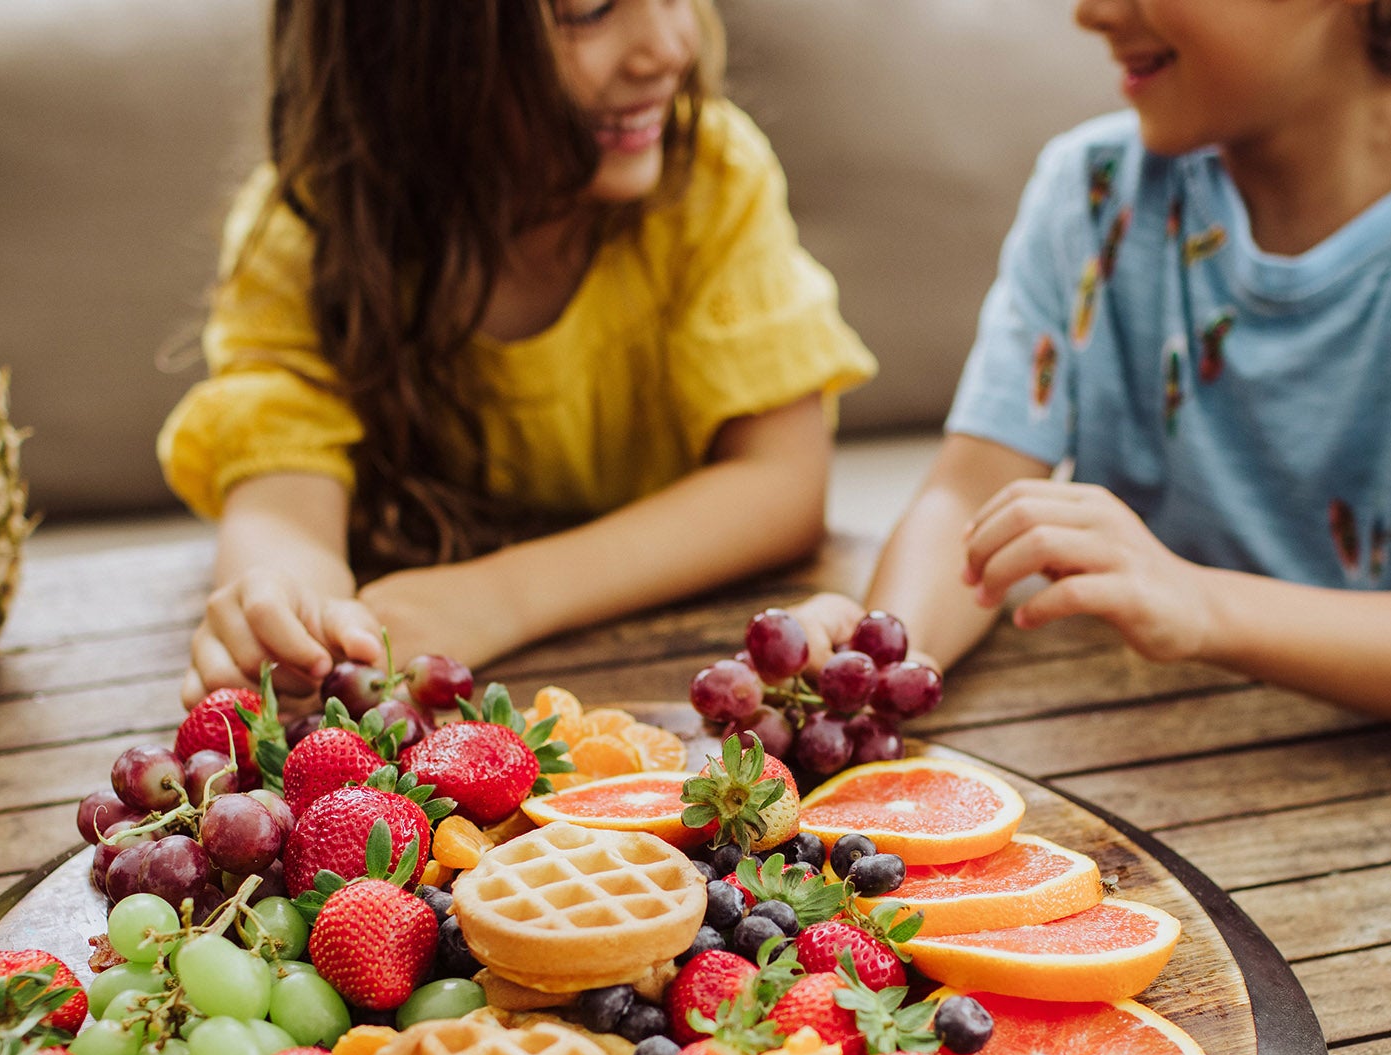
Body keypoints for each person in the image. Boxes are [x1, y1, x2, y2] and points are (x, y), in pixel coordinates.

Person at [797, 0, 1391, 737]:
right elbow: (971, 493)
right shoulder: (1095, 191)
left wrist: (1198, 601)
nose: (1091, 12)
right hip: (1129, 751)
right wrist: (876, 665)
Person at [163, 0, 874, 705]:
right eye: (590, 10)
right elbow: (282, 499)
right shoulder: (306, 233)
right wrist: (287, 602)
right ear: (404, 40)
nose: (668, 44)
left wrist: (500, 597)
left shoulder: (711, 178)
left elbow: (782, 480)